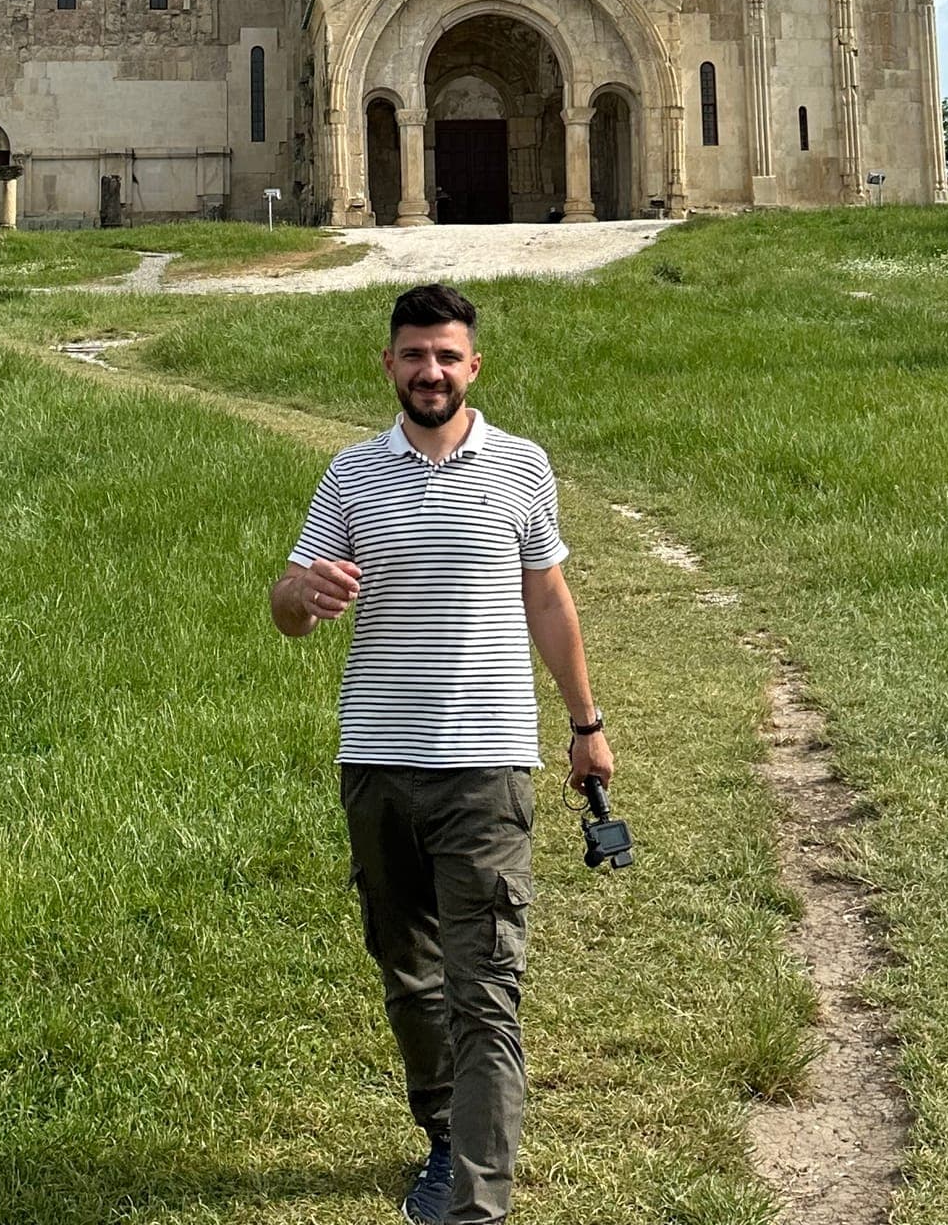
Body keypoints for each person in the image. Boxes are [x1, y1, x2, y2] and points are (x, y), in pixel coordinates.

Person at [270, 283, 614, 1225]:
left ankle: (476, 1205)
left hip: (489, 765)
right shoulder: (350, 476)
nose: (432, 372)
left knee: (487, 984)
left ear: (474, 366)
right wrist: (303, 595)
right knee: (410, 973)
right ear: (388, 365)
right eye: (415, 355)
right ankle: (445, 1134)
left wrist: (585, 725)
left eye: (448, 356)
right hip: (378, 761)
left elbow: (549, 599)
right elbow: (289, 607)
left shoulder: (521, 468)